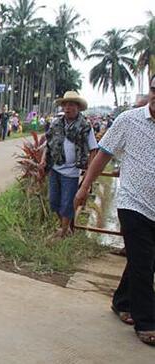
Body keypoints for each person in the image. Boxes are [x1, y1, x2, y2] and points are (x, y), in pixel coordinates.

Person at [74, 74, 155, 346]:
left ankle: (122, 300)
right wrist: (85, 187)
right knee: (144, 263)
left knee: (143, 259)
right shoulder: (128, 121)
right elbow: (103, 154)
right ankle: (147, 322)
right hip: (133, 203)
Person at [41, 91, 98, 238]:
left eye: (71, 105)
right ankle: (66, 228)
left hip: (72, 171)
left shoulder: (85, 126)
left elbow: (93, 150)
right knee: (54, 201)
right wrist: (43, 160)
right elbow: (49, 143)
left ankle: (64, 231)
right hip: (55, 167)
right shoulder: (56, 123)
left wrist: (88, 171)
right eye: (65, 105)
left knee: (67, 203)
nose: (68, 108)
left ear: (78, 107)